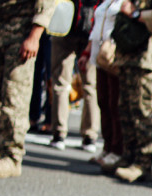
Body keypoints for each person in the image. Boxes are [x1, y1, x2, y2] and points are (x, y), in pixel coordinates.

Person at [107, 0, 152, 183]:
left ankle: (143, 163)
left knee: (143, 110)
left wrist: (137, 15)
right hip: (127, 56)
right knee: (126, 109)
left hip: (147, 58)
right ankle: (129, 156)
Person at [0, 0, 55, 178]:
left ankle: (12, 157)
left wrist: (35, 35)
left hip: (21, 34)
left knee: (14, 95)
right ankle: (3, 148)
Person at [48, 0, 101, 154]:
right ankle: (90, 135)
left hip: (67, 22)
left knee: (61, 83)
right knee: (90, 86)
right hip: (90, 25)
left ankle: (59, 133)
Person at [79, 0, 125, 168]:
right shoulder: (106, 2)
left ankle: (117, 149)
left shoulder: (124, 3)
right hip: (99, 58)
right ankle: (106, 147)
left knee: (114, 104)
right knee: (103, 102)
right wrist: (87, 51)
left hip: (113, 56)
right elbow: (96, 28)